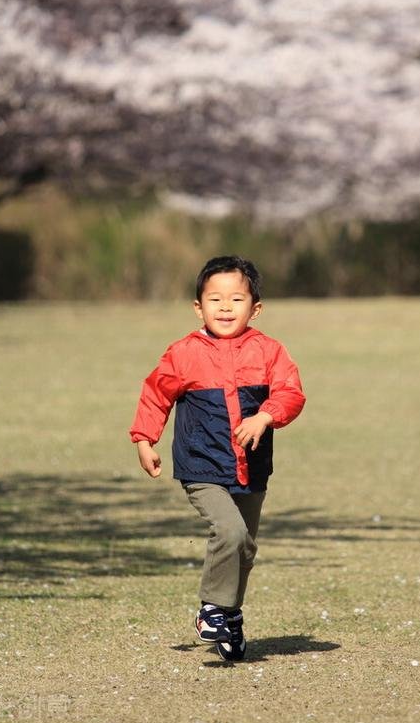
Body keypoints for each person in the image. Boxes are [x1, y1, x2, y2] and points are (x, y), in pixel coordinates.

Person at [129, 255, 305, 661]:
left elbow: (291, 394)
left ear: (255, 308)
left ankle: (230, 616)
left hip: (252, 467)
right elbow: (156, 393)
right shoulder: (184, 353)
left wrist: (265, 415)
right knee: (229, 532)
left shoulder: (270, 351)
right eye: (215, 299)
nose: (225, 308)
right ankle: (212, 608)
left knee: (244, 546)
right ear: (198, 307)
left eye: (237, 299)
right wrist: (144, 438)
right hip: (202, 464)